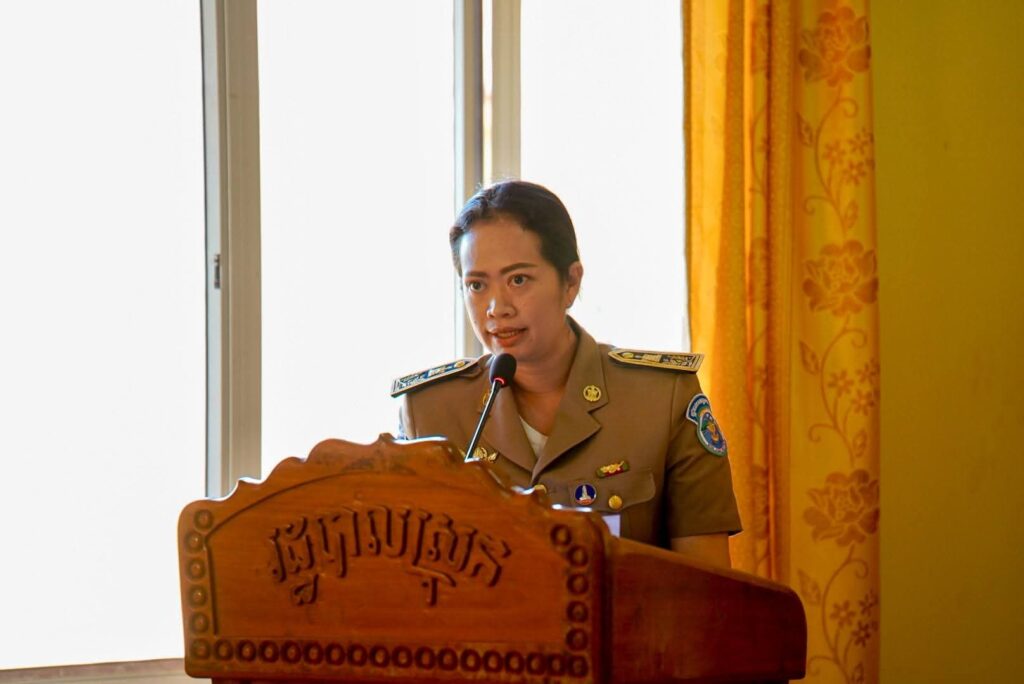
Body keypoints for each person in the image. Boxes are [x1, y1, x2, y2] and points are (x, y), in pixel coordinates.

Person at [392, 180, 740, 568]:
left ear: (571, 282)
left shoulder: (663, 399)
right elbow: (405, 575)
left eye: (518, 280)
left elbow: (708, 584)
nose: (496, 308)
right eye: (476, 285)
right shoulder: (429, 412)